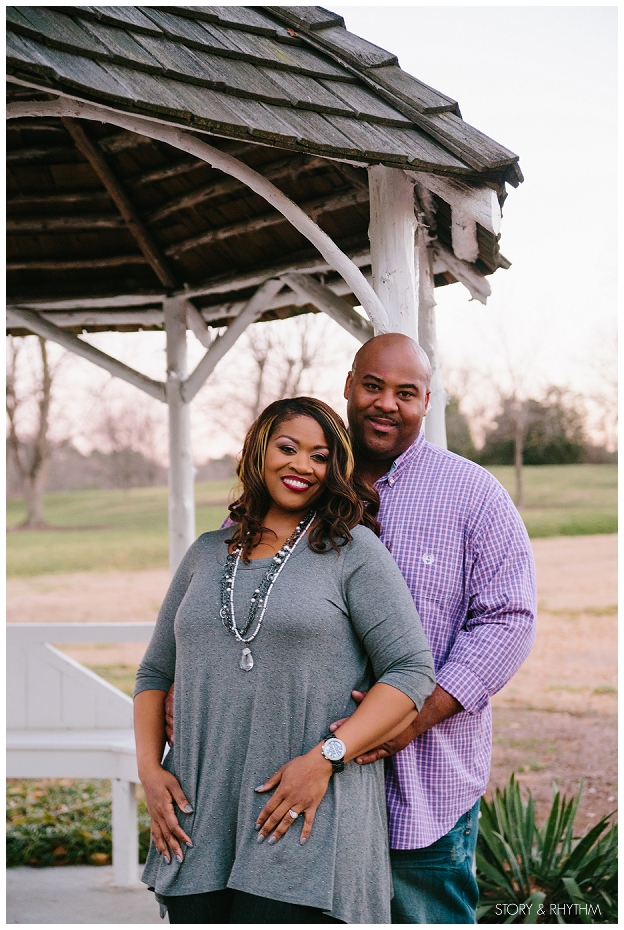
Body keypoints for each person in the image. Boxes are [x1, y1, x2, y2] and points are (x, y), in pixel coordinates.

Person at [134, 396, 436, 925]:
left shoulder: (353, 551)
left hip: (304, 816)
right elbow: (155, 673)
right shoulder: (206, 552)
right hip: (198, 817)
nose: (302, 465)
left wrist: (328, 757)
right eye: (288, 448)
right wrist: (149, 771)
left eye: (319, 457)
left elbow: (411, 671)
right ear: (259, 451)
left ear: (334, 470)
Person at [326, 333, 537, 923]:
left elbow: (508, 620)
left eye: (406, 392)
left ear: (427, 402)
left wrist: (412, 717)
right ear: (348, 386)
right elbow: (234, 582)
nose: (386, 403)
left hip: (424, 780)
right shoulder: (299, 481)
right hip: (307, 780)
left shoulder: (474, 495)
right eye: (373, 386)